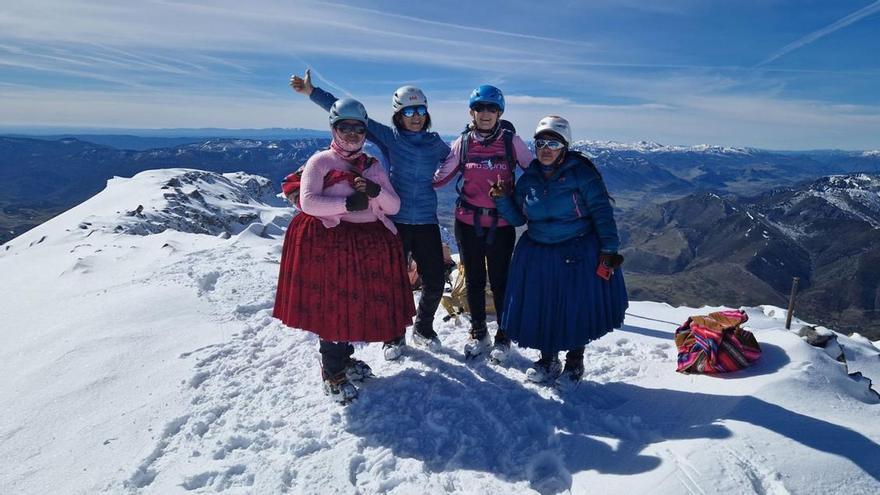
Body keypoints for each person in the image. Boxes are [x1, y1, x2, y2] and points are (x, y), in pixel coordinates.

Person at [291, 70, 451, 360]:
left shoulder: (435, 143)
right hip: (395, 220)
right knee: (395, 282)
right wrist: (312, 93)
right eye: (408, 111)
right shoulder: (389, 137)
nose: (415, 117)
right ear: (398, 115)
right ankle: (394, 335)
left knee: (435, 279)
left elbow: (454, 160)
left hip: (426, 219)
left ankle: (423, 328)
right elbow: (350, 115)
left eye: (420, 110)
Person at [273, 98, 415, 404]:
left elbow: (394, 206)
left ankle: (344, 360)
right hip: (333, 245)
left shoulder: (372, 166)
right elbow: (309, 201)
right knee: (335, 308)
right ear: (334, 129)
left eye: (357, 128)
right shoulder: (320, 162)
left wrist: (376, 192)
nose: (352, 134)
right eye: (344, 127)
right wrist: (347, 205)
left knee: (354, 307)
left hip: (364, 246)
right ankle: (333, 371)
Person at [490, 116, 627, 384]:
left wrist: (609, 248)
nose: (546, 149)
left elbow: (601, 212)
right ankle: (548, 359)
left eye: (553, 143)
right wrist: (501, 200)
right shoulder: (529, 178)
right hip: (538, 251)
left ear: (564, 146)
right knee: (544, 306)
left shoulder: (581, 174)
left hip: (577, 250)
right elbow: (519, 218)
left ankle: (574, 362)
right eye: (540, 143)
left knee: (574, 306)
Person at [433, 85, 534, 360]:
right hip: (466, 221)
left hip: (501, 224)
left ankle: (504, 334)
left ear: (499, 112)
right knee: (474, 279)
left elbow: (535, 171)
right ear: (472, 112)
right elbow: (440, 177)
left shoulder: (511, 141)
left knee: (501, 281)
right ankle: (479, 331)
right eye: (480, 108)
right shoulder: (463, 142)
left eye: (492, 108)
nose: (485, 113)